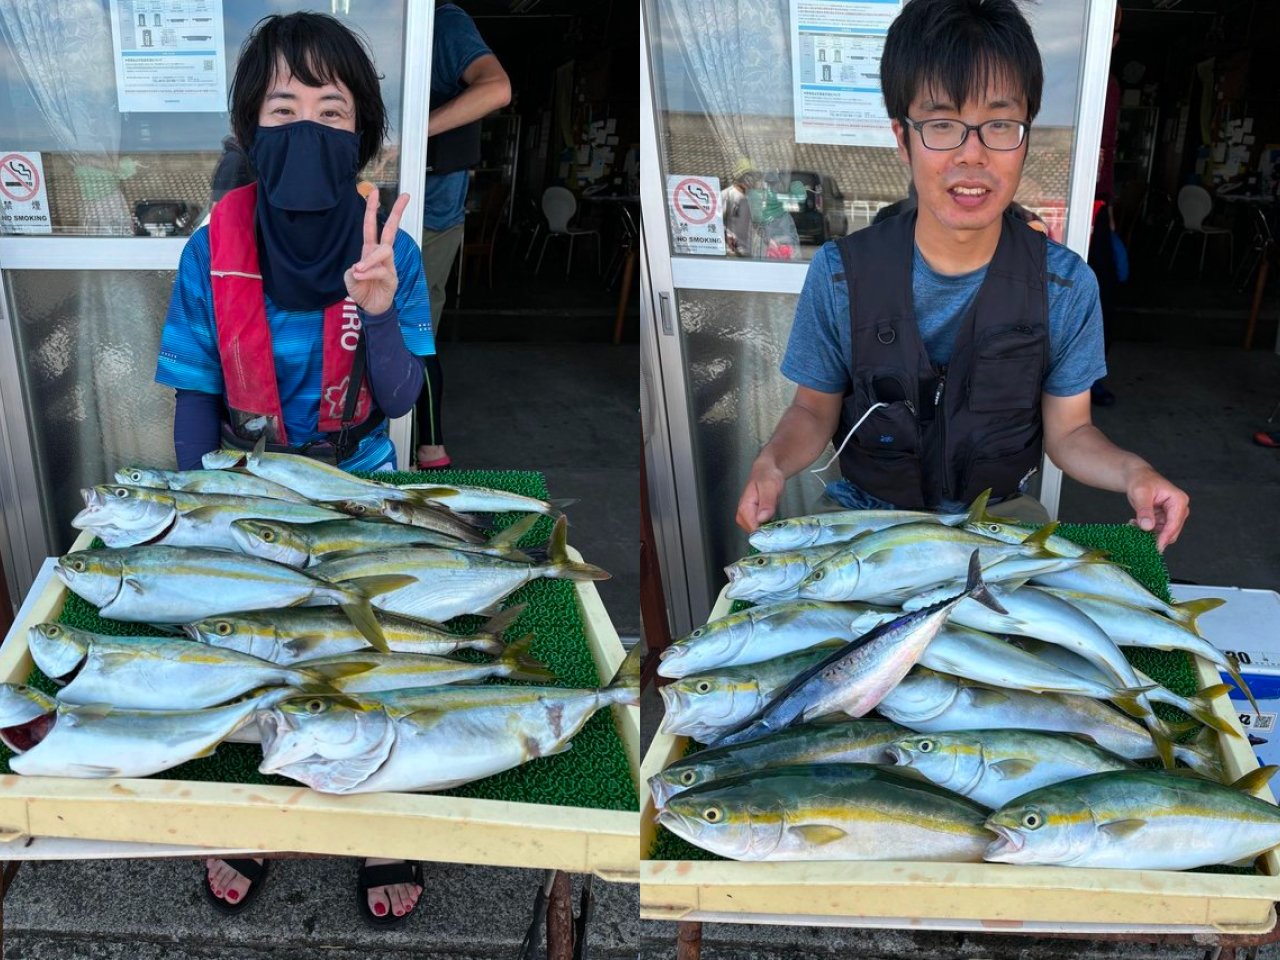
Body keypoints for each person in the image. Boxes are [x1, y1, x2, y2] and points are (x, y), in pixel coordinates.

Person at [735, 0, 1190, 552]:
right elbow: (813, 408)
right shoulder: (839, 274)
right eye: (942, 124)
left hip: (1001, 517)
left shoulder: (1065, 286)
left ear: (1024, 137)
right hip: (866, 517)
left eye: (999, 124)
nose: (972, 156)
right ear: (902, 138)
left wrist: (1133, 472)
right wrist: (772, 461)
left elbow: (1070, 432)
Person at [154, 12, 428, 923]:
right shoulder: (210, 249)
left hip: (360, 480)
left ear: (363, 132)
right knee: (256, 649)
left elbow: (394, 398)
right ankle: (260, 808)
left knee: (366, 650)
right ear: (248, 129)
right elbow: (197, 392)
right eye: (282, 106)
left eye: (330, 107)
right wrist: (204, 506)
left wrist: (380, 308)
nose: (305, 127)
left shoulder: (389, 245)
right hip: (249, 483)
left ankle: (378, 815)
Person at [413, 3, 511, 469]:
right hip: (377, 203)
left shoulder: (442, 22)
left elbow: (497, 88)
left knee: (412, 328)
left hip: (429, 214)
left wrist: (414, 136)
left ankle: (430, 446)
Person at [722, 160, 756, 256]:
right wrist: (726, 237)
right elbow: (716, 220)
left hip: (746, 252)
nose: (750, 180)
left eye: (752, 176)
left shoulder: (751, 197)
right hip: (731, 252)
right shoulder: (728, 194)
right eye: (746, 176)